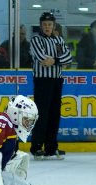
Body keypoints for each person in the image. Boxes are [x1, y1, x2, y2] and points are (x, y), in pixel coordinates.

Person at [29, 12, 72, 160]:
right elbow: (42, 58)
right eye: (45, 24)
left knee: (54, 114)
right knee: (41, 114)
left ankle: (51, 147)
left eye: (50, 24)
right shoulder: (36, 40)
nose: (47, 27)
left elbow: (68, 57)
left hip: (57, 80)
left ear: (54, 26)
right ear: (41, 26)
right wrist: (59, 60)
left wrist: (54, 60)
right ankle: (36, 147)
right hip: (42, 81)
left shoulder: (59, 40)